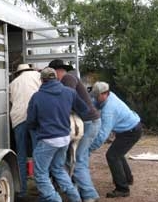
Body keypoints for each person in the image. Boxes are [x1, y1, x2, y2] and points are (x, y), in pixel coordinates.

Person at [26, 67, 89, 202]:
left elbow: (30, 121)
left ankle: (54, 199)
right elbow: (84, 109)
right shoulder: (69, 92)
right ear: (56, 78)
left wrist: (37, 127)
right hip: (65, 138)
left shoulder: (37, 97)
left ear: (42, 80)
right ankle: (75, 198)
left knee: (41, 174)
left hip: (48, 140)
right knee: (58, 169)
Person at [49, 59, 101, 202]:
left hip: (89, 122)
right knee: (76, 159)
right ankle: (81, 191)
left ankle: (90, 195)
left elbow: (67, 99)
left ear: (57, 71)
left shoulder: (67, 79)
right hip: (90, 121)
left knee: (78, 161)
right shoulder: (69, 79)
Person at [89, 81, 142, 198]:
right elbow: (93, 103)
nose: (95, 99)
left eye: (96, 96)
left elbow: (103, 134)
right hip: (130, 129)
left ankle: (122, 189)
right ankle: (127, 179)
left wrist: (89, 149)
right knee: (118, 153)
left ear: (104, 94)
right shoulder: (108, 95)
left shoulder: (109, 110)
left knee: (112, 155)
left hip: (131, 132)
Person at [9, 63, 41, 199]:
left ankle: (22, 191)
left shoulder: (13, 83)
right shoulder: (38, 76)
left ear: (18, 72)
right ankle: (41, 188)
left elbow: (11, 100)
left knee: (21, 155)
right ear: (30, 69)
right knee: (38, 155)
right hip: (35, 118)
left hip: (18, 119)